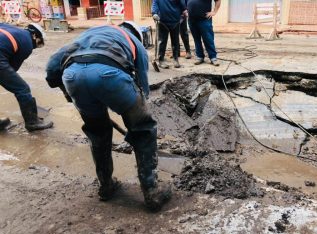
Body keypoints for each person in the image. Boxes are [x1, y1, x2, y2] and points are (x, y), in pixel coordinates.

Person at [46, 22, 171, 211]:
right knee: (143, 130)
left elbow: (51, 70)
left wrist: (69, 93)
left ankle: (106, 186)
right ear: (135, 33)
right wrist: (137, 117)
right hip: (109, 74)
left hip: (72, 77)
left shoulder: (87, 34)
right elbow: (143, 87)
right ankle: (152, 191)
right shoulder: (135, 43)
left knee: (98, 132)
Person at [0, 23, 53, 131]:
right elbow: (11, 69)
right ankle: (32, 123)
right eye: (39, 42)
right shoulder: (27, 43)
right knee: (22, 88)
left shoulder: (11, 28)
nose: (37, 46)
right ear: (35, 36)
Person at [152, 0, 186, 69]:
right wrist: (154, 13)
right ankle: (161, 60)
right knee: (162, 42)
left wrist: (184, 11)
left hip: (175, 21)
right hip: (163, 22)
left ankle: (175, 59)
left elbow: (182, 4)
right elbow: (155, 4)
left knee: (175, 42)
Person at [187, 0, 221, 66]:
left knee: (208, 39)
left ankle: (213, 57)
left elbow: (218, 0)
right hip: (191, 20)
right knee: (196, 39)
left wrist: (214, 11)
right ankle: (200, 57)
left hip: (204, 19)